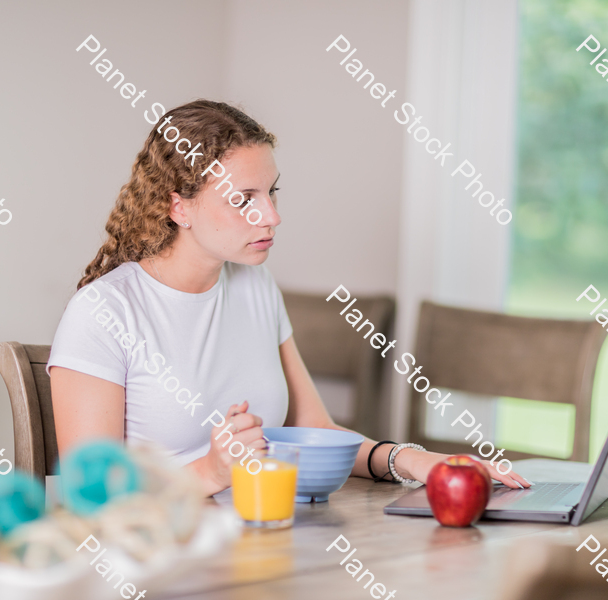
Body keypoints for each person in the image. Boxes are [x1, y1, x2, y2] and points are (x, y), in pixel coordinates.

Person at [47, 99, 532, 496]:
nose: (272, 216)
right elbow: (92, 497)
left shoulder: (255, 287)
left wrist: (416, 461)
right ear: (180, 206)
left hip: (261, 540)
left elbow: (315, 432)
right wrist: (212, 472)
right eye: (244, 199)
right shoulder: (104, 312)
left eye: (272, 193)